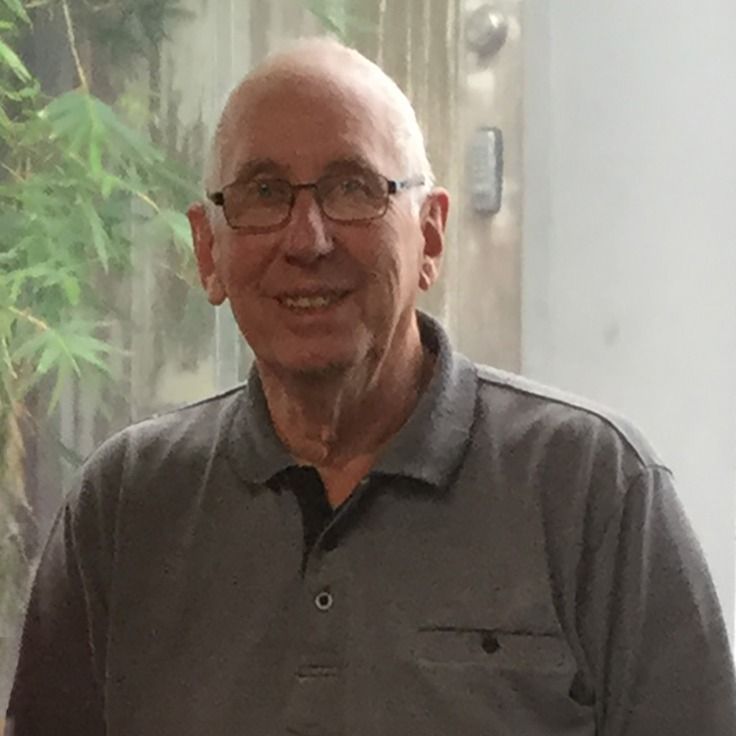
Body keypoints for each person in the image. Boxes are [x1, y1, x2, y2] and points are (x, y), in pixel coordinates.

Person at [5, 37, 736, 736]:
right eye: (264, 193)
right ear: (208, 250)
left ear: (432, 236)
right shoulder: (127, 507)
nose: (307, 239)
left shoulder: (592, 489)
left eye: (352, 188)